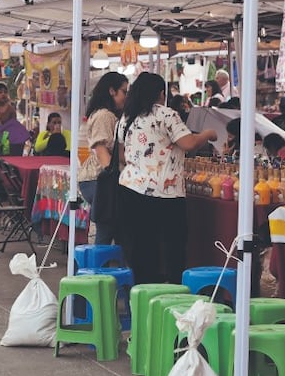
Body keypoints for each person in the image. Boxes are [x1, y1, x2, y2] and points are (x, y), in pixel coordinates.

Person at [116, 72, 216, 284]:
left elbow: (122, 154)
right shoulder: (166, 114)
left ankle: (142, 293)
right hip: (165, 191)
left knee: (142, 246)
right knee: (173, 246)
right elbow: (189, 143)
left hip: (130, 188)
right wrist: (207, 134)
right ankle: (172, 290)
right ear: (162, 94)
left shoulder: (127, 117)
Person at [79, 72, 128, 245]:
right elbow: (102, 150)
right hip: (99, 179)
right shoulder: (105, 115)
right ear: (112, 91)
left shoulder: (104, 114)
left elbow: (115, 151)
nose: (126, 97)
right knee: (106, 228)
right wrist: (113, 177)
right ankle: (99, 268)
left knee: (110, 226)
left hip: (99, 179)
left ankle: (102, 267)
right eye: (124, 91)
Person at [0, 82, 32, 149]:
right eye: (0, 92)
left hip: (9, 141)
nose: (3, 94)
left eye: (5, 92)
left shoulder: (10, 109)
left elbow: (14, 126)